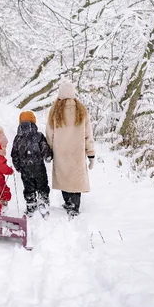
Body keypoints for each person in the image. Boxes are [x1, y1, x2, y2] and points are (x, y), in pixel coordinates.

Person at [46, 81, 95, 218]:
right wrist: (90, 153)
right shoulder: (81, 109)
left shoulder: (55, 110)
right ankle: (75, 206)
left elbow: (50, 133)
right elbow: (88, 134)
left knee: (64, 177)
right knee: (75, 180)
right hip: (77, 152)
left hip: (60, 152)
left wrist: (49, 149)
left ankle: (68, 202)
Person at [11, 111, 53, 217]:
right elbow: (45, 148)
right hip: (39, 167)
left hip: (25, 169)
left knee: (28, 188)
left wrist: (18, 167)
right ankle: (43, 202)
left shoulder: (18, 138)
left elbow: (14, 154)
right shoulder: (39, 136)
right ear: (34, 122)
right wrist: (48, 155)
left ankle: (31, 205)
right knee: (42, 185)